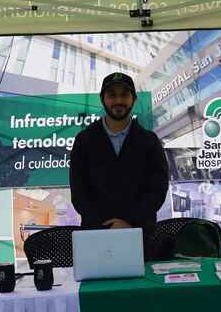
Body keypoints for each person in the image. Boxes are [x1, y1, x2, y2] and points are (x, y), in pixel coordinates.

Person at [68, 71, 170, 256]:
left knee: (142, 275)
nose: (118, 100)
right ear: (102, 99)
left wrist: (129, 222)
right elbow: (79, 191)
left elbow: (157, 189)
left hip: (141, 236)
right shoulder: (84, 140)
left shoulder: (149, 141)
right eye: (112, 95)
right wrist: (108, 226)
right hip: (96, 236)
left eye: (124, 95)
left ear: (133, 99)